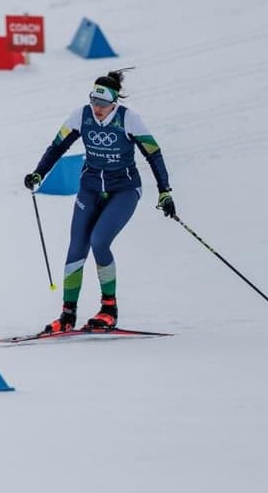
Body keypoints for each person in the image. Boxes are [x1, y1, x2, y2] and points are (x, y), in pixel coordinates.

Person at [24, 69, 176, 334]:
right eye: (94, 102)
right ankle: (67, 314)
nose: (97, 109)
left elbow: (154, 154)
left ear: (114, 103)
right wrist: (39, 172)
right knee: (76, 248)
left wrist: (165, 191)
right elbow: (57, 146)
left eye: (103, 104)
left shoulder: (129, 119)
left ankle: (109, 310)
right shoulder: (80, 116)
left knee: (99, 241)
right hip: (90, 188)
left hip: (124, 190)